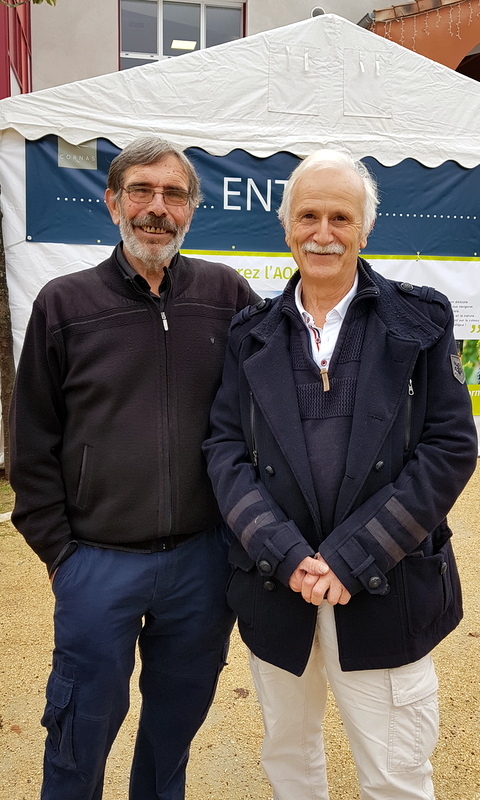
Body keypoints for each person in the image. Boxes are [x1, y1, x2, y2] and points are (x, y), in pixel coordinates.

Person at [203, 149, 478, 800]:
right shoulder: (248, 336)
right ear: (286, 227)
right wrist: (285, 553)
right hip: (278, 589)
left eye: (340, 217)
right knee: (290, 764)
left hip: (387, 591)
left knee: (397, 778)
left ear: (365, 229)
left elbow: (448, 447)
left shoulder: (421, 322)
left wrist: (352, 558)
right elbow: (223, 450)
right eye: (308, 216)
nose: (323, 232)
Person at [9, 136, 259, 800]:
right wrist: (64, 556)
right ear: (113, 202)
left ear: (192, 210)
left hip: (202, 568)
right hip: (97, 563)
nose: (157, 208)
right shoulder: (65, 305)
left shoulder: (227, 296)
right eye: (141, 192)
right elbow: (30, 443)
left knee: (172, 733)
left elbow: (270, 411)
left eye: (173, 194)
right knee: (77, 737)